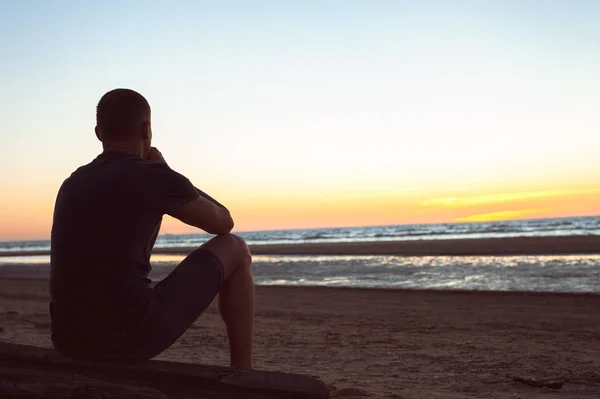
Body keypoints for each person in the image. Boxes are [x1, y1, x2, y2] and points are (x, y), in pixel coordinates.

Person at [49, 88, 254, 368]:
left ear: (98, 132)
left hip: (68, 339)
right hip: (127, 337)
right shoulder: (154, 175)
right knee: (236, 248)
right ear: (146, 128)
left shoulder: (71, 183)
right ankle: (243, 372)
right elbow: (223, 223)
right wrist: (168, 173)